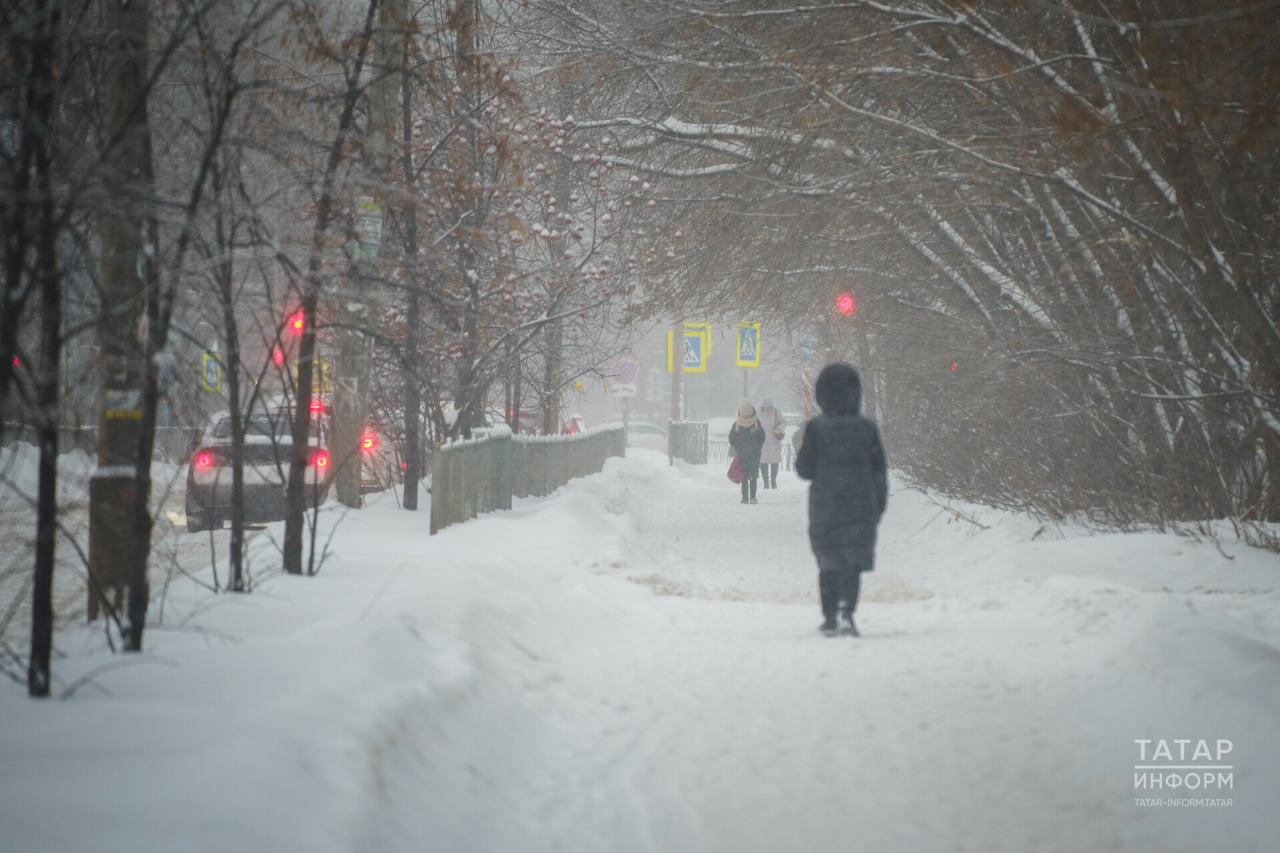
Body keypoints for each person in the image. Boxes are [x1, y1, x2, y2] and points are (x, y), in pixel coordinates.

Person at [795, 363, 887, 637]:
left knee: (829, 561)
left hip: (826, 507)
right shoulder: (867, 429)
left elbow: (804, 470)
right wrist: (878, 506)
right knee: (852, 561)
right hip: (860, 506)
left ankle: (830, 617)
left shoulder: (816, 429)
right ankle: (848, 611)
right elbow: (879, 471)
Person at [728, 400, 766, 504]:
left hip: (752, 454)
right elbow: (731, 438)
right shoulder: (738, 424)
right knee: (745, 476)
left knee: (752, 476)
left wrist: (754, 447)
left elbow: (762, 437)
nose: (745, 418)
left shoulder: (756, 423)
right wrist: (738, 447)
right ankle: (746, 497)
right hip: (745, 455)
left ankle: (751, 497)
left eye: (747, 416)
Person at [757, 397, 786, 488]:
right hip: (762, 443)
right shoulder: (758, 415)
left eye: (769, 407)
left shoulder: (777, 413)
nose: (767, 409)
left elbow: (783, 422)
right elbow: (753, 425)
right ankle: (766, 482)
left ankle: (773, 481)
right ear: (762, 407)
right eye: (765, 407)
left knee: (774, 462)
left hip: (774, 442)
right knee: (763, 462)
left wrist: (779, 429)